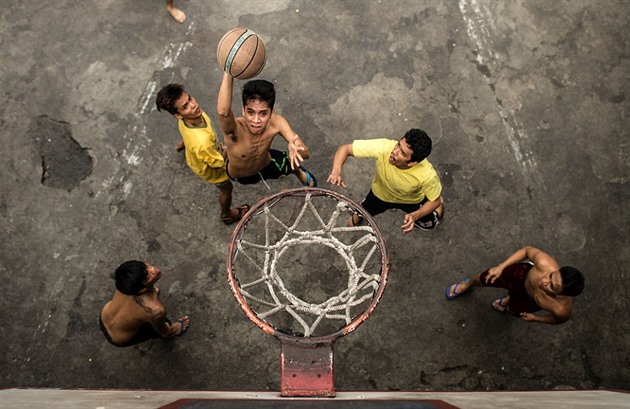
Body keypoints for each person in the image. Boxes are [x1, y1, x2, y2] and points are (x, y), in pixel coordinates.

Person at [156, 83, 249, 225]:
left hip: (197, 150)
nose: (193, 105)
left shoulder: (190, 119)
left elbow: (192, 137)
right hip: (210, 169)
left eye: (190, 99)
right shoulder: (201, 142)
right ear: (178, 116)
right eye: (185, 107)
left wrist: (187, 143)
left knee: (191, 142)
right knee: (226, 189)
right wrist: (231, 146)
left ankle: (184, 145)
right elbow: (218, 163)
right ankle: (227, 215)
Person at [327, 128, 444, 234]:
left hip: (411, 201)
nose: (395, 151)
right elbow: (346, 149)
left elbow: (435, 200)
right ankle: (359, 216)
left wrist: (415, 215)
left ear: (412, 163)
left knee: (431, 222)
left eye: (402, 153)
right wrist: (336, 171)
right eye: (398, 144)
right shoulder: (384, 147)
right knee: (358, 216)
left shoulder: (427, 176)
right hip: (380, 194)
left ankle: (439, 211)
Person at [216, 72, 317, 188]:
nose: (256, 120)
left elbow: (306, 153)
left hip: (267, 164)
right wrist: (228, 71)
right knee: (230, 148)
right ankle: (225, 150)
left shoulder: (277, 122)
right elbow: (223, 113)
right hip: (241, 176)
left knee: (291, 163)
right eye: (250, 112)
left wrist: (297, 150)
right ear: (243, 110)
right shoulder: (235, 129)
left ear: (271, 112)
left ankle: (298, 172)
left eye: (263, 113)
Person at [445, 246, 585, 325]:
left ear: (561, 294)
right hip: (520, 276)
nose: (544, 281)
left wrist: (536, 319)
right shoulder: (544, 263)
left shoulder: (560, 308)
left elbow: (557, 320)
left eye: (552, 286)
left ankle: (507, 301)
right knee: (485, 277)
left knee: (514, 309)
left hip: (528, 301)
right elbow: (526, 251)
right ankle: (468, 285)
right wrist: (501, 267)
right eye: (550, 276)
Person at [100, 261, 190, 347]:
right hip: (118, 338)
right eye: (147, 276)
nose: (153, 270)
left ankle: (150, 288)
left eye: (145, 266)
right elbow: (161, 329)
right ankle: (172, 332)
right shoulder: (156, 310)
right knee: (161, 326)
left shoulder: (125, 281)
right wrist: (166, 331)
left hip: (104, 317)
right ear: (141, 289)